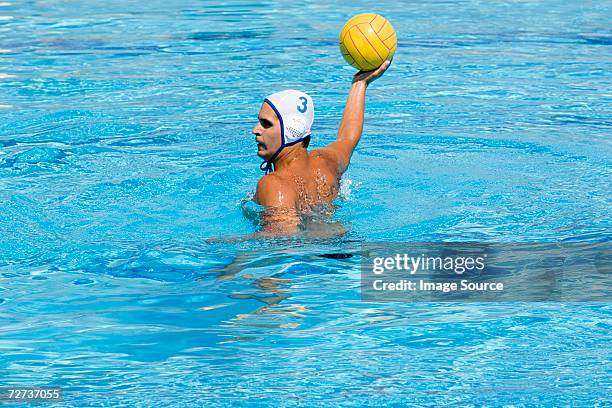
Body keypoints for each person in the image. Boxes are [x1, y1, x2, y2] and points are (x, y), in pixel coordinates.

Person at [252, 60, 391, 235]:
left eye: (266, 124)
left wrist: (218, 247)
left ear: (292, 130)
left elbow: (281, 241)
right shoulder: (326, 162)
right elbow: (348, 137)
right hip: (342, 245)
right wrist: (360, 83)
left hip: (310, 258)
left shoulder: (274, 184)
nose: (255, 130)